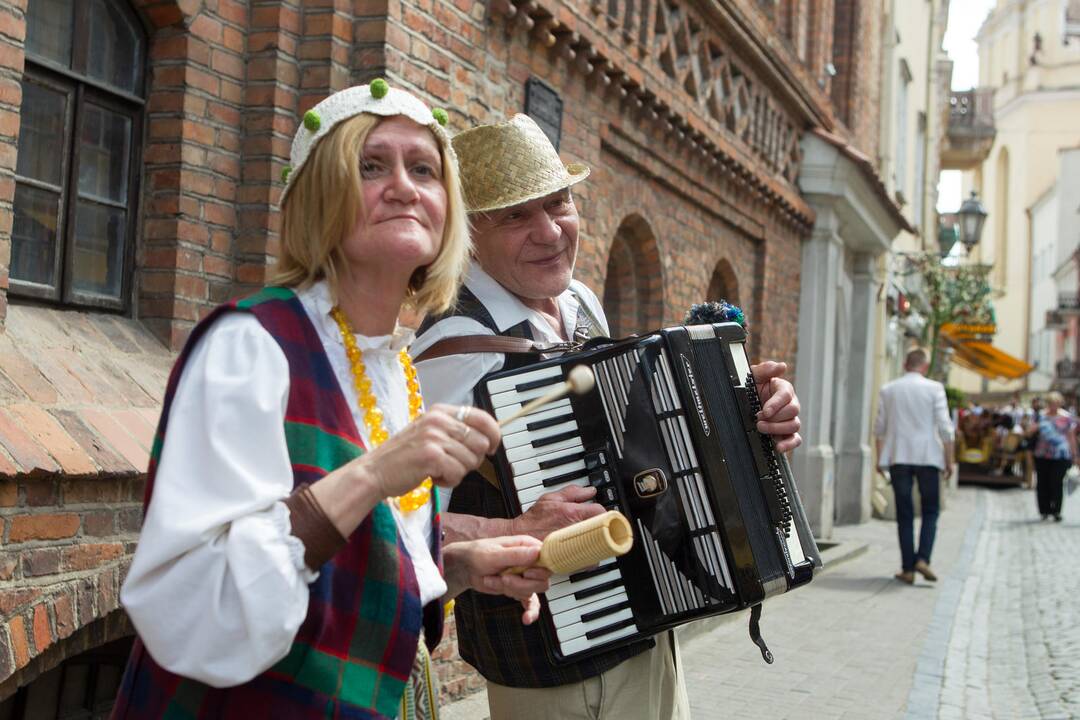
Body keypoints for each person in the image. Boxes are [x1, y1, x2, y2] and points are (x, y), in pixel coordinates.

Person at [111, 84, 551, 720]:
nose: (404, 186)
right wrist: (374, 473)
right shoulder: (251, 345)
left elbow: (343, 566)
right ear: (320, 196)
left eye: (424, 169)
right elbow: (193, 610)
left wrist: (456, 570)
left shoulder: (395, 367)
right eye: (371, 165)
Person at [411, 114, 804, 720]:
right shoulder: (449, 352)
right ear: (467, 234)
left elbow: (632, 440)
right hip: (549, 661)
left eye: (558, 203)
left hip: (646, 630)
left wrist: (742, 416)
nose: (549, 231)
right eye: (516, 215)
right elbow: (407, 519)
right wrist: (507, 531)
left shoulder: (581, 304)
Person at [873, 348, 954, 585]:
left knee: (904, 513)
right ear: (925, 366)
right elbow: (946, 428)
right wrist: (949, 460)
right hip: (928, 457)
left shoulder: (889, 390)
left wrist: (881, 459)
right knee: (931, 510)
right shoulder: (935, 389)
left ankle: (907, 568)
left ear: (906, 364)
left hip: (899, 456)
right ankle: (923, 559)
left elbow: (879, 428)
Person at [1027, 391, 1077, 522]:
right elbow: (1029, 431)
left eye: (1055, 403)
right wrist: (1035, 427)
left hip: (1060, 455)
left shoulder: (1066, 417)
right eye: (1050, 403)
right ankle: (1044, 510)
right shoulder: (1041, 416)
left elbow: (1071, 437)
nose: (1053, 405)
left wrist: (1075, 455)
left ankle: (1056, 510)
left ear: (1060, 403)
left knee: (1057, 482)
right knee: (1042, 482)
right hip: (1042, 454)